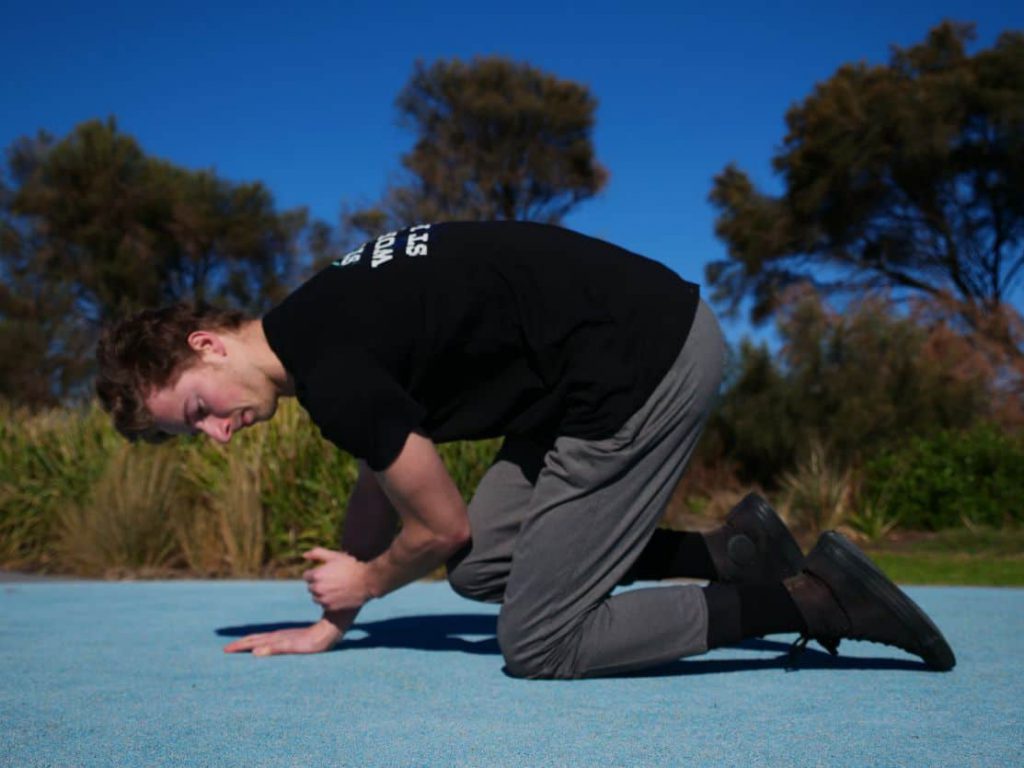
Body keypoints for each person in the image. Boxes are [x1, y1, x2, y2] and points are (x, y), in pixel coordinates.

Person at [95, 221, 954, 678]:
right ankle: (730, 554)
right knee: (487, 575)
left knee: (541, 642)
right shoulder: (316, 325)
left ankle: (817, 600)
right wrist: (333, 624)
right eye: (191, 435)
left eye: (198, 410)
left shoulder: (331, 366)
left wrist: (364, 581)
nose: (214, 435)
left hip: (640, 361)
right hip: (588, 368)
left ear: (207, 346)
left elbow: (439, 530)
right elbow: (386, 487)